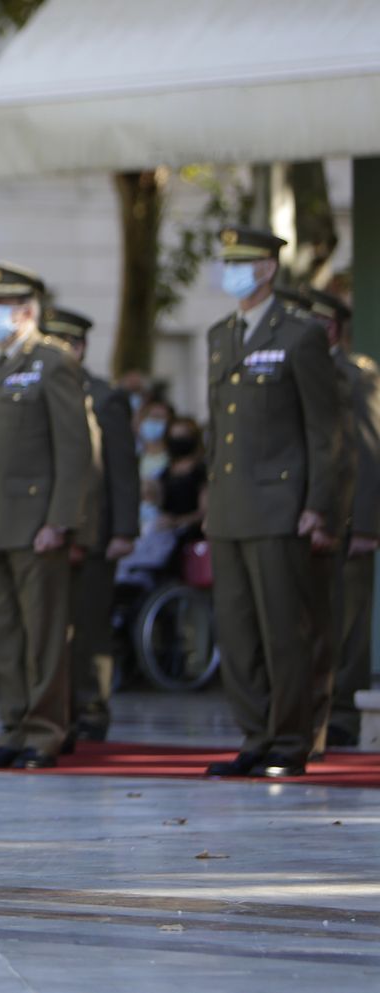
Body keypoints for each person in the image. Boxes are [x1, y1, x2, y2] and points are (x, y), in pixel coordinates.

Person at [202, 226, 338, 779]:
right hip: (232, 506)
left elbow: (324, 431)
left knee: (284, 630)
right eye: (226, 261)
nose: (231, 270)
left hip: (281, 503)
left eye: (242, 261)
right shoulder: (220, 334)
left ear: (267, 269)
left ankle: (288, 739)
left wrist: (318, 503)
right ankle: (255, 735)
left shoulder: (300, 334)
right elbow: (219, 427)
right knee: (237, 631)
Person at [0, 264, 92, 772]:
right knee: (5, 634)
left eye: (1, 305)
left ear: (26, 311)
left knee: (43, 634)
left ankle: (45, 732)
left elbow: (73, 448)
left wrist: (60, 520)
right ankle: (12, 727)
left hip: (36, 523)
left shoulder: (53, 361)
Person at [41, 307, 139, 744]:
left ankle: (92, 708)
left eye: (64, 344)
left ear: (80, 347)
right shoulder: (40, 391)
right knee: (54, 627)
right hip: (50, 527)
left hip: (96, 531)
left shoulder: (104, 396)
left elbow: (121, 468)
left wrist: (124, 530)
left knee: (90, 626)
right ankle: (60, 710)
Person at [297, 288, 376, 752]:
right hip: (311, 515)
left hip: (349, 519)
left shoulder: (356, 375)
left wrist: (365, 524)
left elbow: (367, 450)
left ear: (329, 328)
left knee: (348, 620)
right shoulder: (307, 370)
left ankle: (343, 711)